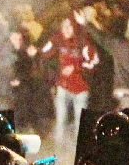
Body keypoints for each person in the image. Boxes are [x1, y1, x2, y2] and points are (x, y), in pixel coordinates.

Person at [41, 15, 99, 148]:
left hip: (81, 89)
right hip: (63, 86)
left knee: (80, 124)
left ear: (75, 27)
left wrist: (75, 67)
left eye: (69, 26)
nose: (66, 29)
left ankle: (77, 151)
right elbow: (44, 53)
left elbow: (94, 62)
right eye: (63, 27)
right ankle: (59, 152)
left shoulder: (83, 42)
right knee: (60, 121)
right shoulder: (58, 40)